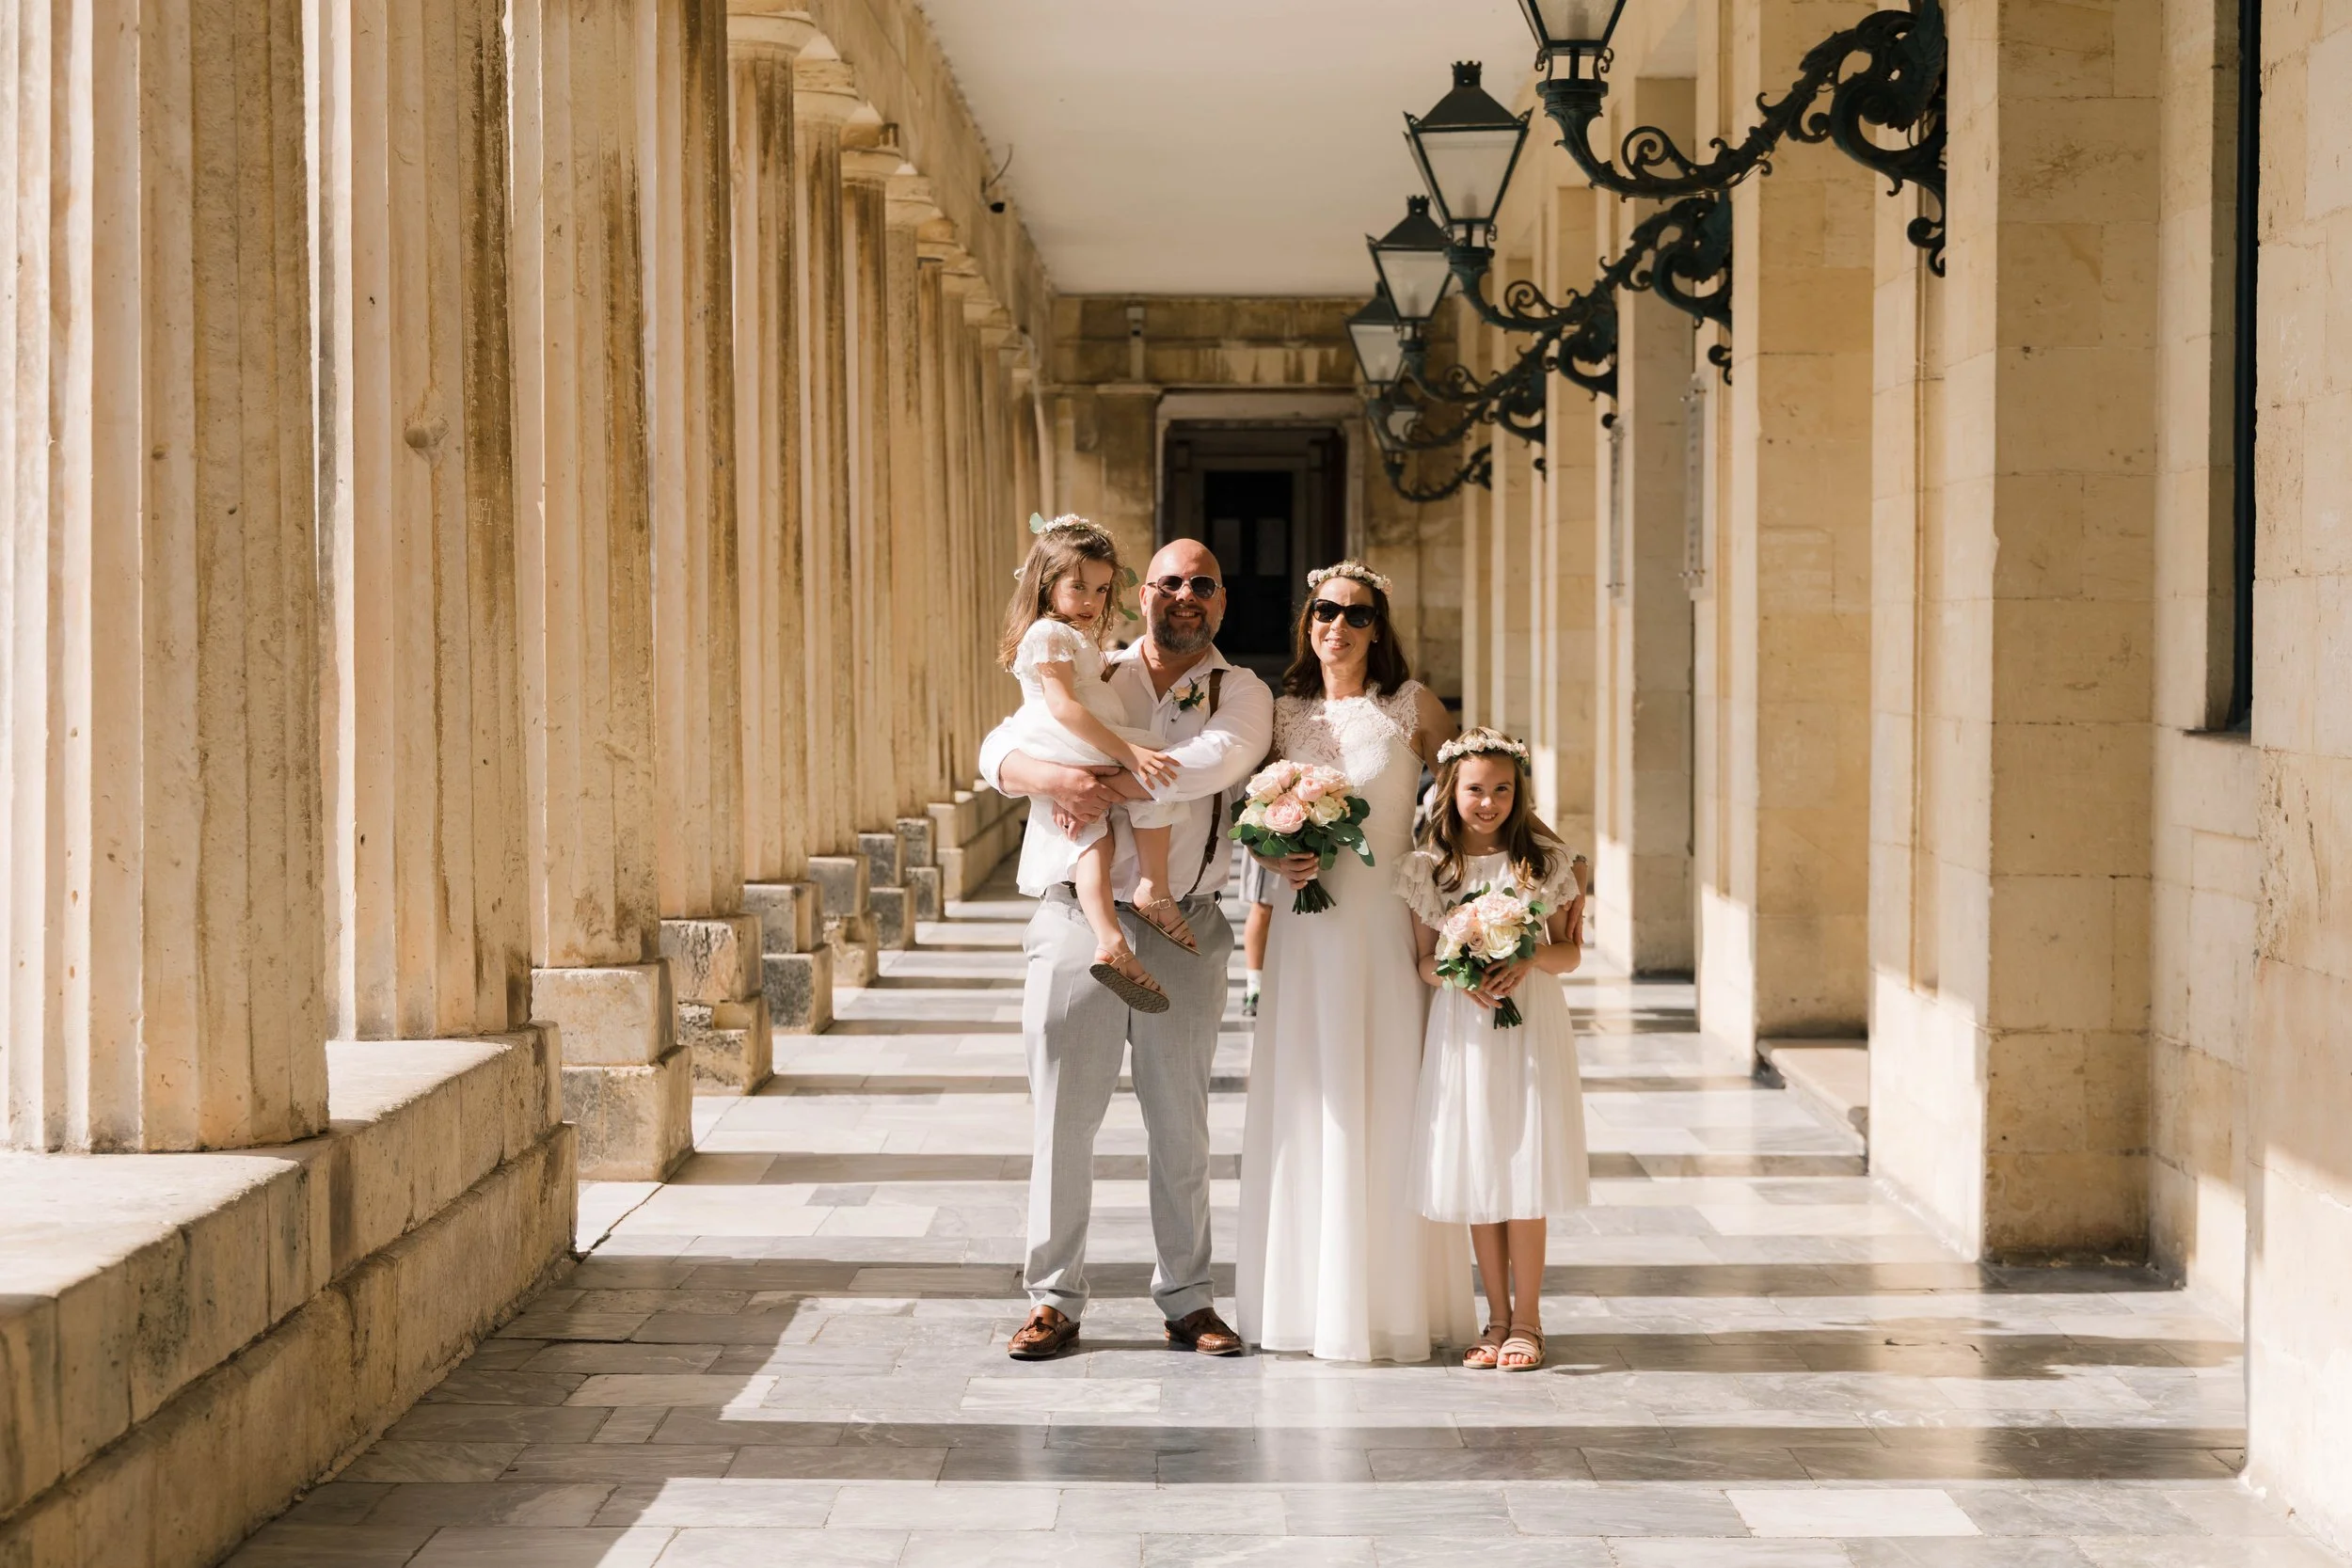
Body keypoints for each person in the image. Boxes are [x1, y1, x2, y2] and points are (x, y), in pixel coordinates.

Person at [979, 537, 1272, 1362]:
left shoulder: (1239, 688)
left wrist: (1097, 782)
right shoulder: (1090, 665)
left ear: (1220, 602)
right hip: (1078, 914)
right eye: (1170, 582)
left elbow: (1224, 757)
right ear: (1140, 594)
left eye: (1203, 585)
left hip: (1186, 923)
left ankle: (1188, 1298)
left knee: (1181, 1123)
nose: (1186, 595)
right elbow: (997, 747)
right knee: (1062, 1119)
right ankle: (1053, 1298)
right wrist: (1044, 776)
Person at [1233, 561, 1479, 1362]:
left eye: (1355, 613)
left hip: (1383, 932)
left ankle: (1390, 1306)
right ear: (1307, 622)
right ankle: (1304, 1305)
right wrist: (1278, 859)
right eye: (1324, 611)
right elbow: (1247, 822)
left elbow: (1476, 794)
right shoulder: (1281, 713)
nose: (1336, 624)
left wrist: (1478, 892)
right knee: (1308, 1102)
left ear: (1380, 627)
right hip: (1308, 940)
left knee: (1386, 1101)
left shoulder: (1414, 709)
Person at [1396, 728, 1591, 1373]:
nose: (1489, 802)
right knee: (1480, 1165)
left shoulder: (1547, 862)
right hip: (1465, 1026)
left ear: (1519, 791)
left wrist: (1528, 956)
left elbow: (1569, 952)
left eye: (1503, 789)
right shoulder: (1431, 867)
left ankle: (1529, 1318)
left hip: (1531, 1022)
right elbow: (1423, 961)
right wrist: (1461, 970)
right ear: (1451, 790)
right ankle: (1495, 1314)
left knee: (1523, 1164)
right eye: (1476, 789)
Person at [996, 517, 1199, 1012]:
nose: (1091, 600)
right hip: (1065, 736)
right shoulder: (1048, 635)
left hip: (1071, 739)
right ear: (1046, 587)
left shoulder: (1071, 638)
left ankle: (1111, 938)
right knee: (1156, 769)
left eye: (1102, 590)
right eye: (1078, 587)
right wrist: (1127, 754)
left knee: (1095, 835)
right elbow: (1065, 706)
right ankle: (1151, 887)